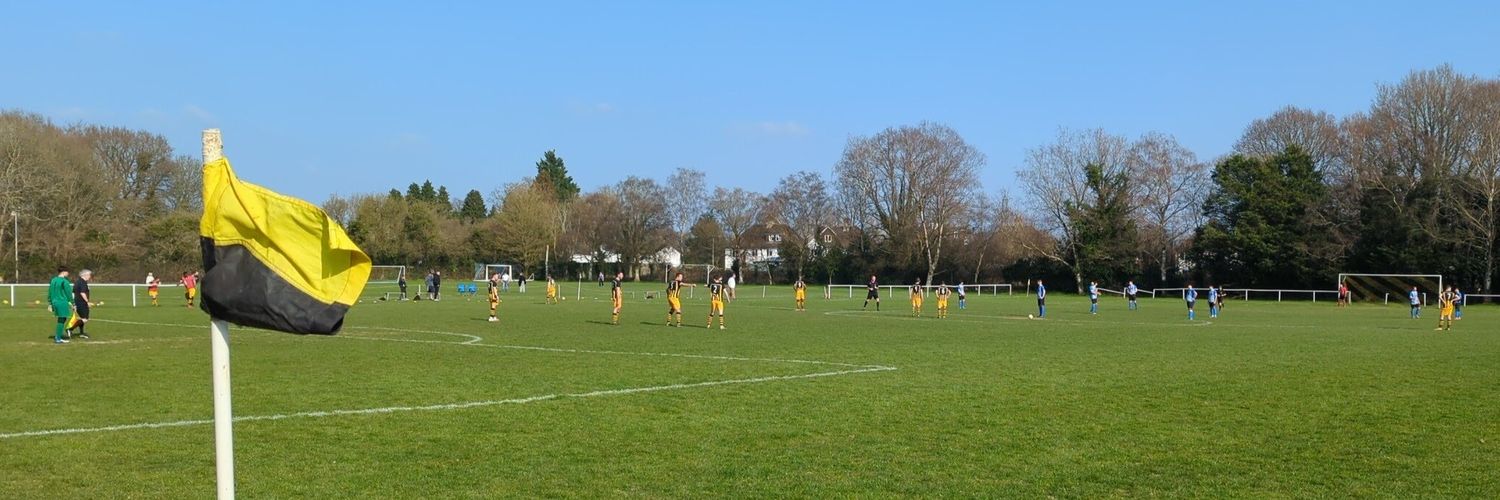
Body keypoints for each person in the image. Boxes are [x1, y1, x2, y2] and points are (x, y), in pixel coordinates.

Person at [48, 267, 74, 344]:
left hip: (55, 302)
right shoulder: (64, 281)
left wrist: (50, 303)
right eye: (67, 272)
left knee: (61, 318)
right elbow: (68, 293)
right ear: (64, 272)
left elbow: (50, 292)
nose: (68, 273)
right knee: (62, 319)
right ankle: (58, 338)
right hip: (62, 302)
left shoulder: (53, 280)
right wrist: (73, 303)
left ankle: (58, 337)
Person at [69, 269, 94, 339]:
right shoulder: (83, 282)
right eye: (89, 275)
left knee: (82, 318)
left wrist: (73, 303)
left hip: (77, 302)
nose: (90, 277)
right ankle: (70, 329)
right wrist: (87, 302)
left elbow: (73, 293)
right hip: (81, 303)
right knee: (85, 319)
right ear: (84, 275)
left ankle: (81, 333)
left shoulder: (77, 282)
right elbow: (82, 293)